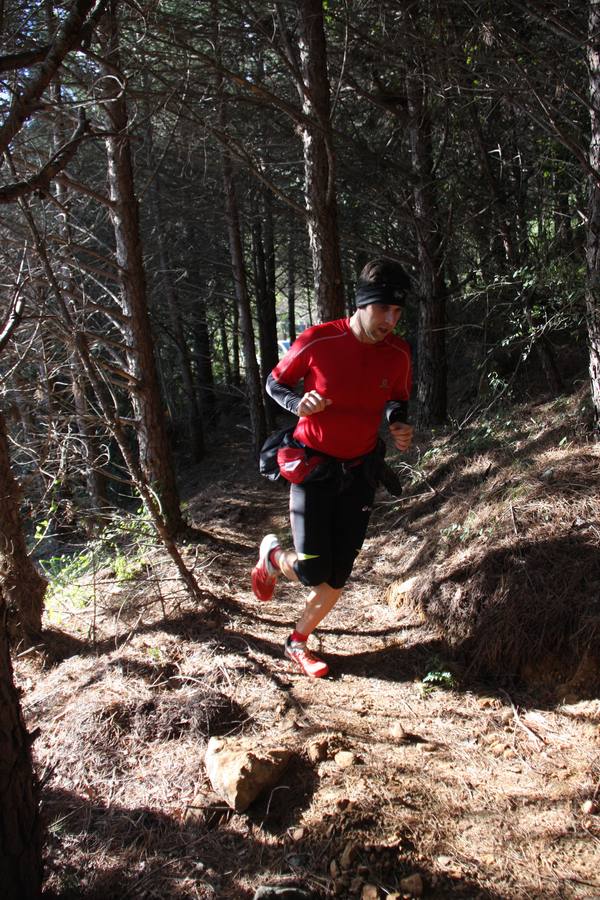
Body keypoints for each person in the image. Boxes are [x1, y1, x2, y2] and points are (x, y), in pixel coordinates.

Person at [251, 258, 414, 677]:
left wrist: (397, 422)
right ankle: (272, 556)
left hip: (360, 472)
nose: (391, 321)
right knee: (312, 570)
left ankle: (297, 642)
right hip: (314, 468)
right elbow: (275, 382)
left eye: (398, 311)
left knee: (338, 574)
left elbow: (396, 397)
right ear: (362, 304)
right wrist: (297, 403)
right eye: (383, 309)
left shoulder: (398, 353)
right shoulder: (319, 341)